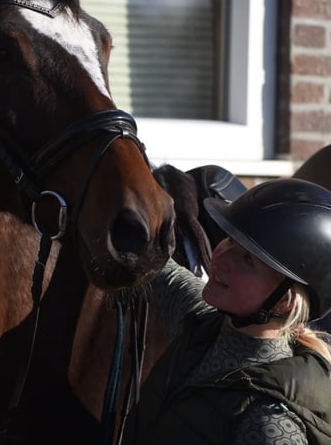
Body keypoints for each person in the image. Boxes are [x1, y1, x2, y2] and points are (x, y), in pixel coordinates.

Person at [121, 178, 331, 445]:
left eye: (248, 258)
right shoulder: (199, 324)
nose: (220, 257)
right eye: (230, 240)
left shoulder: (269, 423)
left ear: (283, 301)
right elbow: (154, 263)